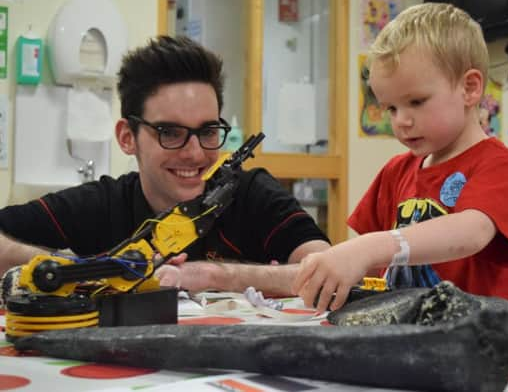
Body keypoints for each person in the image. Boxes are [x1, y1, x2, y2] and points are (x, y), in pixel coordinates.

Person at [0, 36, 329, 297]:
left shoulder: (251, 193)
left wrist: (217, 275)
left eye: (208, 131)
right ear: (128, 137)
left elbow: (326, 266)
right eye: (170, 133)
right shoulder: (101, 204)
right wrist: (81, 270)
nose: (195, 152)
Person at [293, 2, 508, 312]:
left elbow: (473, 232)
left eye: (416, 102)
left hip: (477, 348)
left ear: (470, 89)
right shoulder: (396, 171)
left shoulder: (497, 165)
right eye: (391, 108)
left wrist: (368, 248)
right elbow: (365, 268)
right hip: (407, 341)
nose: (401, 121)